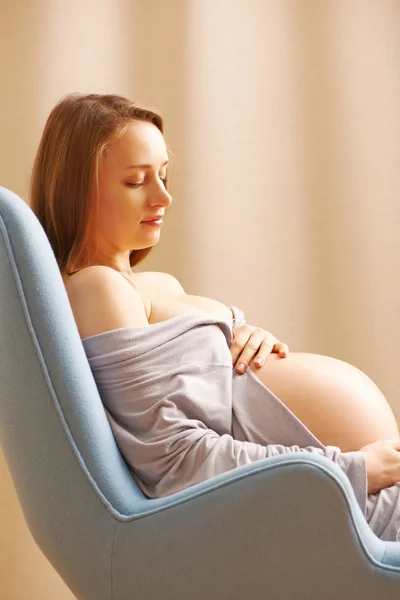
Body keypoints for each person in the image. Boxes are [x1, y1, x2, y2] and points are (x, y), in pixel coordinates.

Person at [30, 92, 400, 541]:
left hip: (347, 489)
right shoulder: (96, 288)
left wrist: (249, 338)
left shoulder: (157, 285)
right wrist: (355, 469)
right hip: (337, 497)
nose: (163, 196)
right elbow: (176, 460)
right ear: (77, 190)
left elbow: (215, 392)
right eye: (136, 181)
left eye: (164, 176)